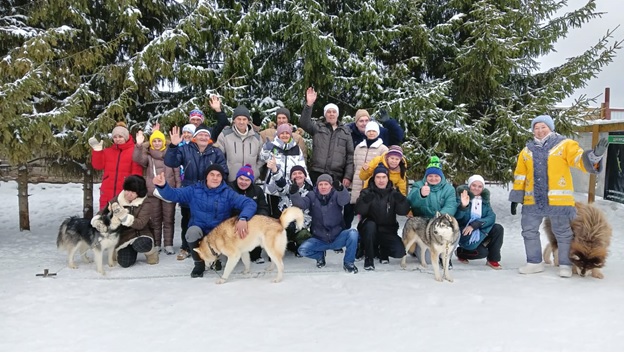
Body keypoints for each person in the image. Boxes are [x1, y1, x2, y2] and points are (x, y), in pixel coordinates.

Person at [509, 115, 608, 277]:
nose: (540, 130)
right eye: (536, 128)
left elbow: (578, 160)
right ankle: (534, 262)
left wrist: (594, 156)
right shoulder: (526, 151)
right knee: (529, 230)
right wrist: (516, 197)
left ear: (550, 128)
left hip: (558, 199)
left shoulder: (564, 145)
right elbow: (520, 175)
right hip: (532, 199)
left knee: (562, 232)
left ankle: (565, 264)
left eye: (543, 127)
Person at [153, 164, 257, 278]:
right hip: (199, 228)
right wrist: (163, 186)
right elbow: (174, 194)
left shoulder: (228, 193)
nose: (215, 178)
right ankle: (199, 264)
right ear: (206, 176)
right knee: (191, 232)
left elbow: (249, 203)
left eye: (218, 175)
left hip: (219, 233)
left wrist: (243, 218)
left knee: (224, 241)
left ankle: (217, 259)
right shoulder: (194, 190)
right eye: (212, 174)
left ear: (222, 178)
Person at [164, 123, 228, 261]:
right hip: (189, 191)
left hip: (210, 193)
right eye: (201, 134)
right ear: (195, 137)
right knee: (187, 220)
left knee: (208, 221)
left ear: (210, 138)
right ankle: (186, 247)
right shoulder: (185, 149)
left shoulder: (215, 152)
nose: (203, 137)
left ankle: (210, 248)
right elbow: (171, 162)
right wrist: (174, 146)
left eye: (206, 135)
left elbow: (224, 171)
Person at [289, 174, 359, 273]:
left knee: (353, 233)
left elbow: (345, 200)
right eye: (320, 184)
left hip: (337, 237)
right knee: (302, 250)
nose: (323, 186)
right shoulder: (311, 195)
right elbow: (301, 204)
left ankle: (349, 263)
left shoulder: (336, 195)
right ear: (317, 186)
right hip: (320, 238)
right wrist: (294, 193)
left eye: (326, 184)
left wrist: (341, 189)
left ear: (331, 186)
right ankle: (320, 256)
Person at [92, 175, 159, 267]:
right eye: (127, 190)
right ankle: (121, 250)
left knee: (142, 244)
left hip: (140, 233)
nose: (128, 194)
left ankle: (151, 253)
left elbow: (140, 224)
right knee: (125, 263)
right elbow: (105, 211)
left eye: (133, 192)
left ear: (139, 193)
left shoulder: (146, 203)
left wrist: (124, 217)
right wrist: (98, 220)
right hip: (123, 235)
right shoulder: (118, 199)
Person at [132, 129, 181, 255]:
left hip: (169, 192)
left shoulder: (171, 154)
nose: (157, 143)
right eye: (155, 141)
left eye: (160, 140)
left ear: (164, 142)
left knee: (169, 219)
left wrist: (178, 190)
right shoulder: (148, 156)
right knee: (155, 219)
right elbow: (137, 159)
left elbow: (177, 174)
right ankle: (157, 243)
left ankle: (169, 244)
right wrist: (139, 145)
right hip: (153, 192)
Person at [355, 163, 410, 270]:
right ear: (374, 178)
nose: (381, 180)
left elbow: (403, 211)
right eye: (378, 177)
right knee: (370, 226)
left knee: (399, 252)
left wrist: (402, 200)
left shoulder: (393, 193)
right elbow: (359, 210)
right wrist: (365, 201)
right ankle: (369, 257)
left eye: (384, 177)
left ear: (387, 178)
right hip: (369, 230)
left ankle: (381, 250)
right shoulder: (366, 192)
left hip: (388, 230)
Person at [407, 156, 459, 265]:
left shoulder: (448, 189)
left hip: (440, 222)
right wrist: (420, 194)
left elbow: (451, 206)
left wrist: (438, 219)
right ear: (426, 176)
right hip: (423, 225)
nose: (433, 178)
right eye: (430, 176)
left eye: (436, 176)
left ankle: (446, 257)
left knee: (455, 232)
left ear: (441, 176)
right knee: (428, 260)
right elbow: (410, 202)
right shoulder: (418, 185)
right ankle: (417, 250)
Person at [299, 87, 354, 187]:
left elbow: (350, 157)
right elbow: (304, 123)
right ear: (325, 114)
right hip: (316, 172)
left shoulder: (346, 133)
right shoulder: (318, 128)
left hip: (336, 176)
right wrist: (309, 104)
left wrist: (348, 176)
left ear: (337, 114)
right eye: (329, 112)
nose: (331, 114)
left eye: (334, 112)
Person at [89, 122, 143, 211]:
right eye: (115, 137)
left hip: (125, 193)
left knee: (123, 220)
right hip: (107, 193)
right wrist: (97, 151)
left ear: (126, 137)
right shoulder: (108, 151)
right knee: (105, 220)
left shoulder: (134, 151)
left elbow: (137, 174)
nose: (117, 139)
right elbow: (97, 166)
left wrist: (133, 190)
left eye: (120, 137)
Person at [454, 175, 504, 269]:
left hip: (479, 229)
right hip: (465, 232)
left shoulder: (484, 201)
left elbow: (491, 217)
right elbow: (457, 218)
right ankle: (461, 252)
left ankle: (493, 259)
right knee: (482, 253)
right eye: (474, 185)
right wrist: (463, 207)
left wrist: (476, 224)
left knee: (498, 228)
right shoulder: (462, 197)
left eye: (480, 186)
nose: (476, 188)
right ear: (469, 186)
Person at [260, 123, 308, 217]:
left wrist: (306, 181)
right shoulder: (273, 146)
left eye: (287, 133)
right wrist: (265, 149)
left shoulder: (296, 148)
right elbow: (263, 158)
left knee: (287, 215)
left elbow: (302, 167)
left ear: (290, 135)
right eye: (282, 133)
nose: (284, 135)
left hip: (290, 186)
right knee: (274, 215)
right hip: (273, 187)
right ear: (278, 134)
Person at [228, 164, 270, 264]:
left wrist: (254, 219)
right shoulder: (229, 189)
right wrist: (239, 219)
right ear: (237, 178)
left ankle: (255, 255)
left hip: (251, 221)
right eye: (241, 179)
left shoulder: (257, 190)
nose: (243, 182)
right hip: (233, 221)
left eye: (247, 180)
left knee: (260, 226)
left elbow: (263, 208)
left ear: (251, 181)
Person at [349, 121, 388, 226]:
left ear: (378, 132)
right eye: (369, 131)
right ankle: (361, 234)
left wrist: (370, 168)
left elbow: (385, 167)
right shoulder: (359, 147)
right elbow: (355, 164)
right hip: (358, 183)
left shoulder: (383, 148)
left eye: (374, 131)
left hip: (372, 185)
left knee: (373, 212)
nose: (371, 133)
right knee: (360, 211)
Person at [216, 105, 264, 183]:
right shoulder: (225, 135)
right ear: (234, 120)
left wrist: (256, 171)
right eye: (239, 119)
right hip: (231, 181)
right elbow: (218, 157)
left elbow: (262, 158)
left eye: (244, 119)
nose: (241, 122)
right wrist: (225, 173)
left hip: (250, 180)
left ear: (248, 121)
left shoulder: (257, 137)